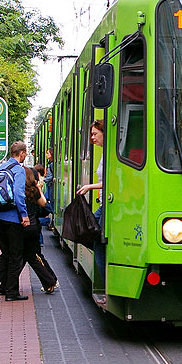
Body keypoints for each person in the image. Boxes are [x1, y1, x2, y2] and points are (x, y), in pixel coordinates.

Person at [0, 141, 30, 301]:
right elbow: (19, 194)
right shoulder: (18, 170)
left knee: (6, 254)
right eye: (25, 153)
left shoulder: (1, 168)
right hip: (13, 218)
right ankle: (11, 292)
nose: (26, 156)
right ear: (21, 153)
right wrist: (24, 214)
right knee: (16, 255)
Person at [77, 120, 106, 284]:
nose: (92, 138)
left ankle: (105, 283)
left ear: (104, 133)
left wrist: (90, 187)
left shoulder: (110, 153)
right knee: (88, 233)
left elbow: (111, 180)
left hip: (105, 207)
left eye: (95, 134)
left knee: (93, 237)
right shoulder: (104, 152)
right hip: (102, 205)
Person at [23, 166, 58, 293]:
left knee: (32, 256)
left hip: (27, 227)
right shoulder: (34, 190)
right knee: (32, 255)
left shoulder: (22, 190)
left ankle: (50, 280)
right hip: (34, 226)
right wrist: (39, 188)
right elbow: (45, 205)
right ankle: (51, 279)